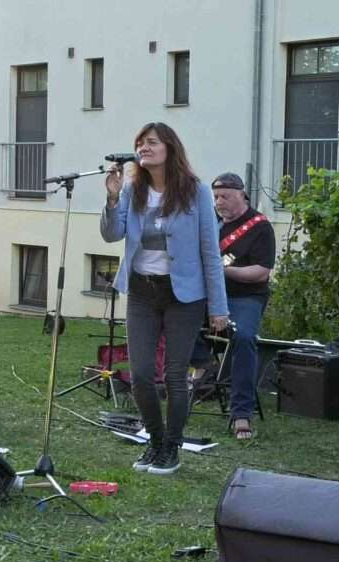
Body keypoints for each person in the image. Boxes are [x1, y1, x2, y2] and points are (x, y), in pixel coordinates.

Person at [101, 121, 228, 475]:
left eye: (152, 142)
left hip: (183, 295)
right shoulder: (132, 190)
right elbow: (112, 234)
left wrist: (218, 307)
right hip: (142, 291)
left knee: (174, 375)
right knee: (141, 375)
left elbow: (210, 252)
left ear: (170, 148)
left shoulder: (195, 191)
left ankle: (172, 446)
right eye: (140, 143)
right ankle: (155, 441)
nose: (143, 148)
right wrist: (112, 198)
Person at [209, 172, 276, 440]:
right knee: (172, 320)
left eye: (225, 196)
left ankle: (241, 412)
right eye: (216, 197)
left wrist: (221, 271)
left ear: (241, 195)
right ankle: (202, 370)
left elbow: (261, 272)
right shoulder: (211, 223)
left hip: (245, 297)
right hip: (210, 296)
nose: (219, 202)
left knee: (245, 338)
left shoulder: (260, 227)